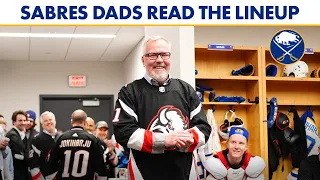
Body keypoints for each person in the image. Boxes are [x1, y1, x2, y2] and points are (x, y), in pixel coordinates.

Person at [112, 36, 211, 180]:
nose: (159, 60)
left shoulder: (186, 90)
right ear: (143, 60)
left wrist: (185, 139)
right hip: (143, 173)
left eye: (164, 54)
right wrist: (164, 140)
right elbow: (122, 131)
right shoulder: (129, 92)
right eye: (152, 55)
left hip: (184, 173)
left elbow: (204, 128)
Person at [44, 109, 107, 180]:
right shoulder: (93, 139)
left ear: (71, 121)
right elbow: (100, 167)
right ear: (85, 122)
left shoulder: (60, 138)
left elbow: (50, 166)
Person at [198, 127, 265, 180]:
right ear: (227, 144)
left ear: (246, 147)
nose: (236, 147)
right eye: (233, 142)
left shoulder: (251, 161)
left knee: (258, 176)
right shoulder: (217, 160)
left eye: (241, 143)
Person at [29, 111, 61, 180]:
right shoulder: (36, 140)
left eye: (50, 119)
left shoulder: (62, 137)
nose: (49, 122)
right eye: (45, 121)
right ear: (42, 124)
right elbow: (33, 164)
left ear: (55, 121)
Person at [6, 110, 31, 180]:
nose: (23, 123)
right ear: (14, 122)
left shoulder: (21, 134)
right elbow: (18, 155)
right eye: (20, 120)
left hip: (22, 173)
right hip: (17, 174)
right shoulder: (12, 135)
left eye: (24, 120)